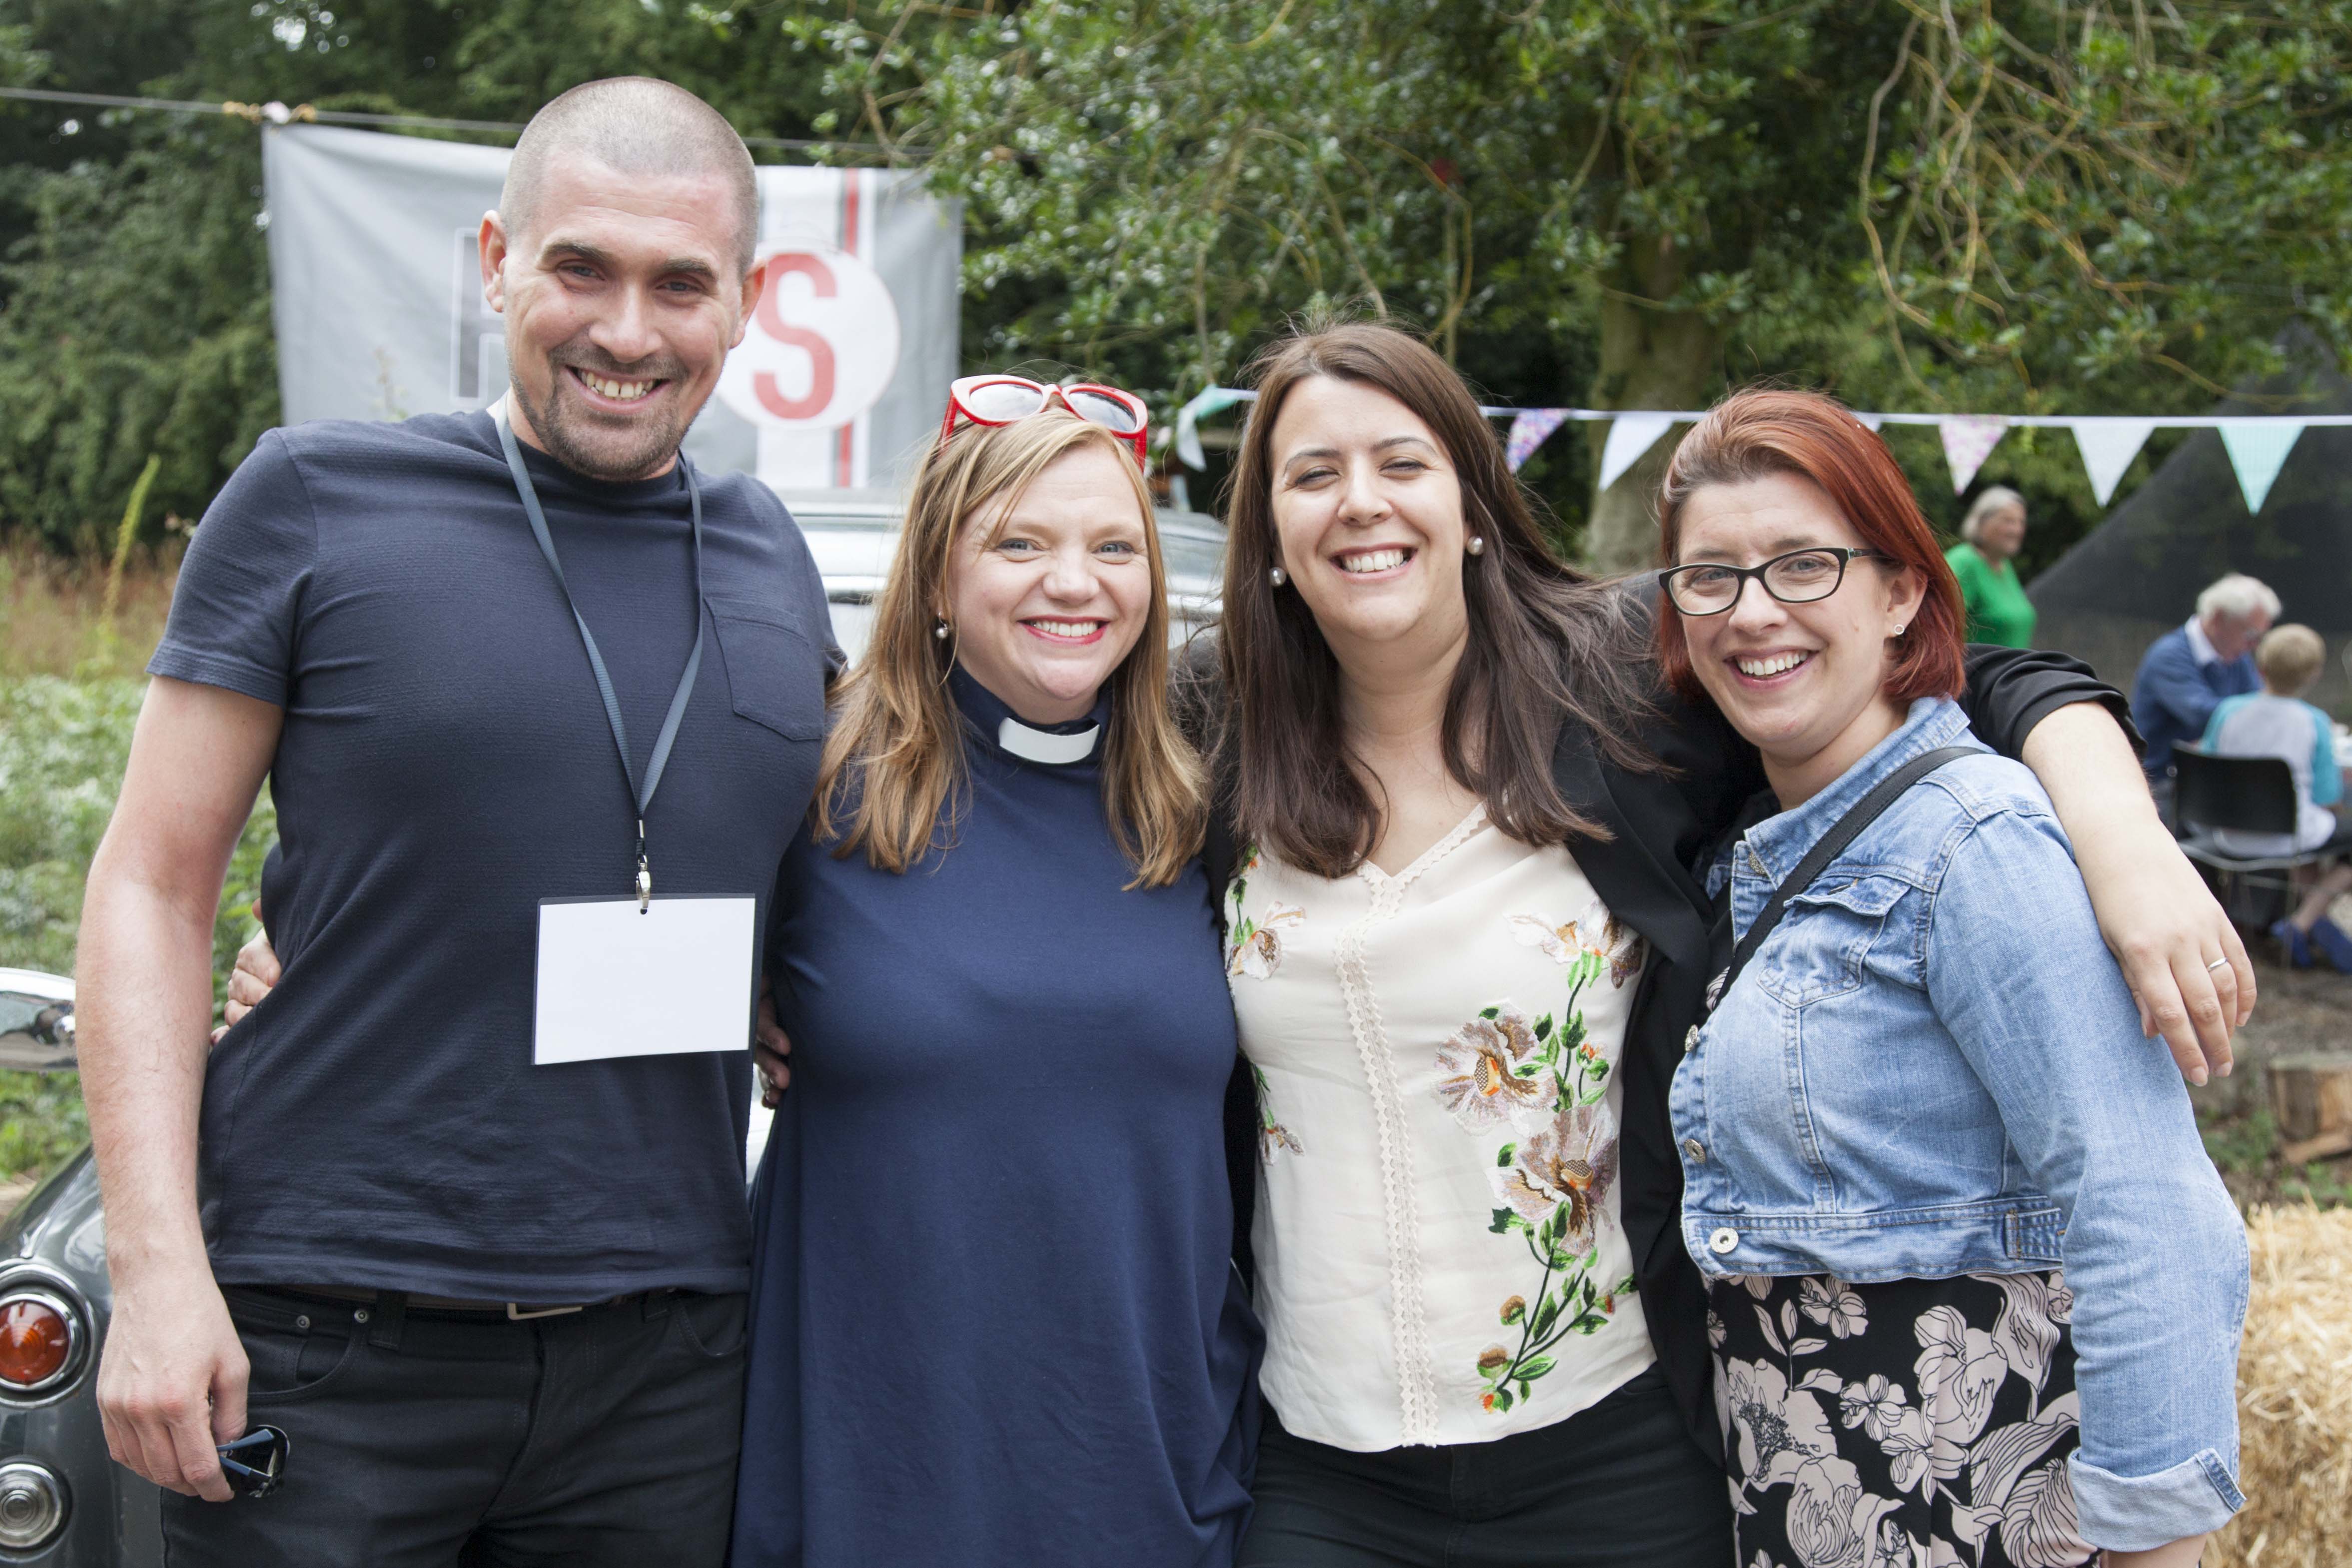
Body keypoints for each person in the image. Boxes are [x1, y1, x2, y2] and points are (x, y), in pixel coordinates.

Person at [1192, 322, 2250, 1568]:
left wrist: (2122, 834)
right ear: (1264, 529)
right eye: (1311, 474)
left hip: (1619, 1441)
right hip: (1322, 1465)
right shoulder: (1208, 738)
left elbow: (1940, 671)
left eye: (1402, 462)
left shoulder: (1613, 688)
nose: (1360, 503)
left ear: (1474, 502)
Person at [74, 77, 829, 1565]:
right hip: (331, 1338)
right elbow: (153, 887)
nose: (626, 328)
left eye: (680, 282)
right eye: (579, 268)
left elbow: (820, 887)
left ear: (749, 303)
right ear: (496, 259)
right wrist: (159, 1273)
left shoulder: (770, 556)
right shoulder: (314, 502)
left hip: (666, 1358)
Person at [1657, 388, 2246, 1568]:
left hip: (1983, 1526)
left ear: (1902, 592)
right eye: (1709, 577)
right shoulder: (1760, 827)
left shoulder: (1973, 843)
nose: (1751, 610)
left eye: (1802, 565)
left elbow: (2146, 1209)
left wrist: (2151, 1545)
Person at [728, 397, 1258, 1565]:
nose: (1073, 581)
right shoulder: (811, 788)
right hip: (877, 1472)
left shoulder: (1204, 813)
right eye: (1019, 542)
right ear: (932, 578)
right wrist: (290, 963)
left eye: (1112, 547)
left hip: (1152, 1473)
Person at [2201, 623, 2352, 968]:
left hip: (2227, 833)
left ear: (2260, 666)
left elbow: (2209, 766)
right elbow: (2326, 795)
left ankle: (2309, 925)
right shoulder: (2313, 721)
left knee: (2310, 833)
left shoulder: (2226, 710)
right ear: (2313, 675)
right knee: (2326, 832)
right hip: (2286, 837)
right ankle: (2302, 923)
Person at [2131, 572, 2277, 800]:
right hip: (2161, 786)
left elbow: (2257, 705)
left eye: (2260, 638)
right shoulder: (2168, 656)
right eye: (2250, 634)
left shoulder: (2236, 656)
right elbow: (2206, 715)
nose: (2254, 645)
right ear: (2219, 618)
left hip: (2210, 777)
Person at [1943, 484, 2036, 647]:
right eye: (2008, 521)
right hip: (1976, 671)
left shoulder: (2004, 565)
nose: (2017, 530)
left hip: (2012, 670)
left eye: (2021, 522)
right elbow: (1939, 626)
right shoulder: (1964, 562)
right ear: (1982, 522)